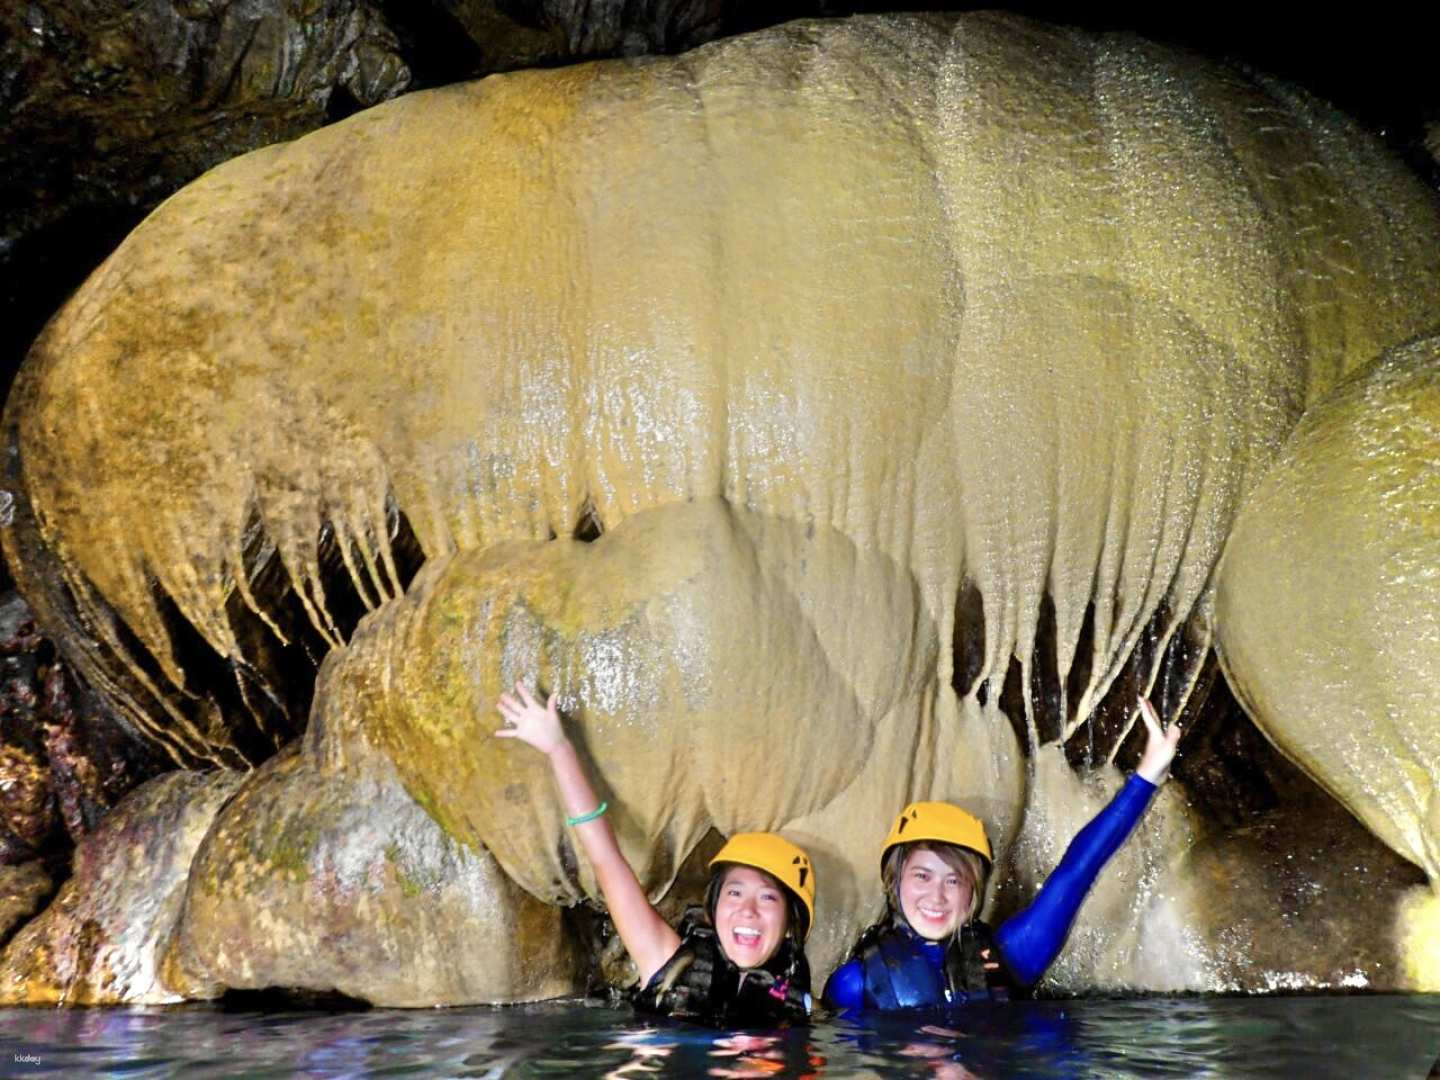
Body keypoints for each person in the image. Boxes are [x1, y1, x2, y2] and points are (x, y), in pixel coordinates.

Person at [824, 696, 1182, 1011]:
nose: (937, 896)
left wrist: (1145, 778)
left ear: (973, 895)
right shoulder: (854, 985)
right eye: (922, 876)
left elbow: (1076, 874)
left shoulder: (1013, 956)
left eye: (954, 880)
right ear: (893, 881)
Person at [496, 681, 816, 1026]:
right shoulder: (664, 959)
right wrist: (558, 748)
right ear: (714, 907)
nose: (748, 911)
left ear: (789, 926)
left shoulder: (797, 1009)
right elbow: (606, 859)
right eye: (735, 893)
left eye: (768, 898)